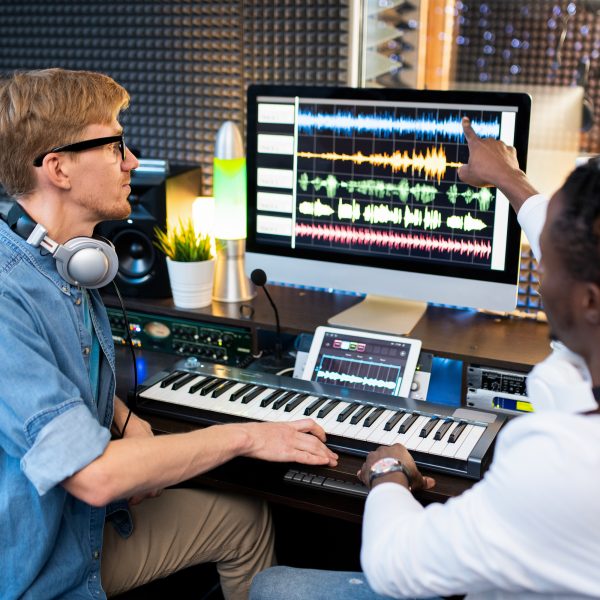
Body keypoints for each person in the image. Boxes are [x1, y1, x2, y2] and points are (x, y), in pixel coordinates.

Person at [0, 68, 338, 600]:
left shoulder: (67, 260)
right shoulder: (6, 297)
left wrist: (125, 417)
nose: (132, 161)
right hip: (39, 571)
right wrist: (248, 435)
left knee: (242, 519)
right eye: (115, 145)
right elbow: (95, 477)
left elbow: (57, 372)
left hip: (81, 524)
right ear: (58, 168)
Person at [249, 118, 600, 599]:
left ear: (588, 301)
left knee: (273, 587)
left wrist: (387, 473)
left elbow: (396, 565)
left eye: (549, 263)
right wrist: (508, 178)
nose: (538, 280)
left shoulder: (561, 461)